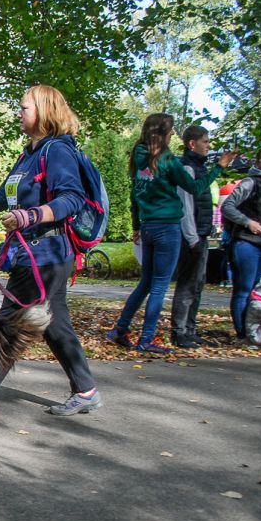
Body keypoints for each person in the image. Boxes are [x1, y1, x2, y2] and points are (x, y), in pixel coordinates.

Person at [0, 84, 100, 416]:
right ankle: (86, 389)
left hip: (46, 254)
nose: (19, 113)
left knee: (11, 321)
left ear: (45, 111)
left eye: (24, 108)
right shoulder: (30, 154)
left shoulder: (57, 151)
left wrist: (30, 215)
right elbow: (2, 197)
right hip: (36, 253)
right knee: (55, 324)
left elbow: (72, 198)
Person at [106, 113, 235, 354]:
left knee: (146, 283)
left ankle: (120, 329)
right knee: (158, 287)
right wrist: (219, 167)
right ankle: (146, 339)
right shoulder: (167, 160)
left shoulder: (139, 157)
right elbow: (195, 187)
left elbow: (134, 196)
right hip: (167, 228)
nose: (174, 133)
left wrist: (136, 226)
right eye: (172, 129)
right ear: (164, 132)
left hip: (148, 226)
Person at [221, 147, 261, 342]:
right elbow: (227, 207)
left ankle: (254, 334)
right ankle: (242, 334)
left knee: (259, 293)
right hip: (247, 244)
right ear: (257, 162)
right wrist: (248, 222)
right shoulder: (250, 182)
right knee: (244, 288)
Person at [169, 125, 220, 348]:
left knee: (197, 283)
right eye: (205, 141)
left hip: (201, 232)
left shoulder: (199, 169)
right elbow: (185, 207)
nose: (208, 146)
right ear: (192, 143)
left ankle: (190, 329)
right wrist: (192, 237)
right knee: (187, 284)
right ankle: (179, 331)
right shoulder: (187, 169)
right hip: (192, 235)